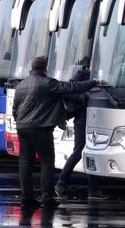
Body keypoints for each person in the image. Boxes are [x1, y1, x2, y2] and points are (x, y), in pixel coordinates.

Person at [12, 56, 96, 207]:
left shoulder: (21, 85)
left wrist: (21, 122)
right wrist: (92, 82)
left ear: (32, 69)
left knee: (25, 164)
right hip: (41, 129)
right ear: (45, 69)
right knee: (47, 162)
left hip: (22, 128)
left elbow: (15, 109)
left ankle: (27, 198)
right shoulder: (48, 82)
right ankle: (47, 198)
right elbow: (72, 88)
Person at [54, 60, 105, 200]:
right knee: (78, 152)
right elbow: (68, 91)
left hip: (94, 117)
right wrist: (84, 98)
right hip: (82, 118)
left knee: (91, 151)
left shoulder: (102, 74)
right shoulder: (82, 73)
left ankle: (93, 189)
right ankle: (61, 184)